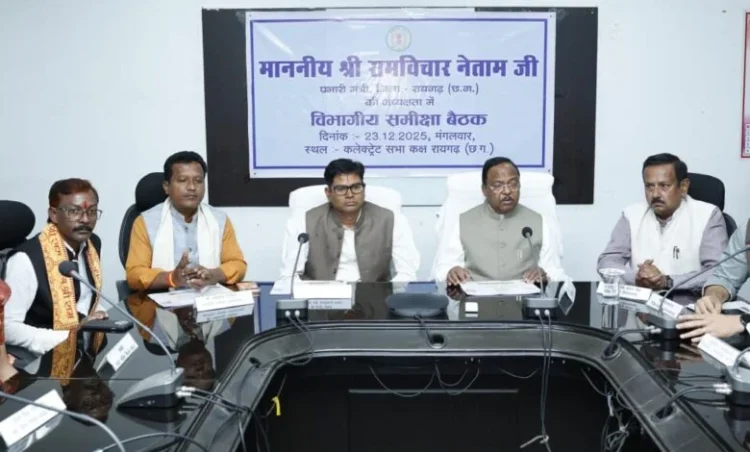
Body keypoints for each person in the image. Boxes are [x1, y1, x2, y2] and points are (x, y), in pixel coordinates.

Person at [3, 179, 108, 356]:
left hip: (86, 348)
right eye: (74, 211)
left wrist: (98, 314)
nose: (85, 219)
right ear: (53, 214)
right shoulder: (26, 259)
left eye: (91, 211)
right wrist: (66, 337)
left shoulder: (92, 245)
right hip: (42, 357)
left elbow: (85, 298)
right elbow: (6, 327)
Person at [597, 153, 727, 290]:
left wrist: (668, 281)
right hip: (642, 300)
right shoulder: (631, 214)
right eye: (649, 186)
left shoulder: (708, 215)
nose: (655, 194)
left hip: (690, 300)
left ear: (683, 186)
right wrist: (637, 278)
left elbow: (718, 270)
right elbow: (608, 261)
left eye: (664, 186)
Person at [279, 158, 419, 282]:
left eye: (356, 187)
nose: (350, 194)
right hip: (319, 298)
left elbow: (407, 273)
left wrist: (387, 295)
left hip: (374, 298)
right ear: (328, 193)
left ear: (364, 189)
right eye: (341, 189)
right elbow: (290, 276)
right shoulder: (303, 222)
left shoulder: (392, 220)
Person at [126, 151, 249, 291]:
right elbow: (135, 274)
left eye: (198, 181)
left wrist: (213, 275)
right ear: (166, 186)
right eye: (183, 180)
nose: (192, 187)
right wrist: (171, 278)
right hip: (161, 301)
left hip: (208, 299)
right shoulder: (146, 222)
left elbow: (237, 264)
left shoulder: (219, 220)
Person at [433, 157, 565, 285]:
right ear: (484, 190)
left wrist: (544, 274)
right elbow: (443, 269)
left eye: (513, 184)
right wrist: (451, 272)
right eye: (498, 185)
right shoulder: (463, 222)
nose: (507, 191)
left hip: (526, 298)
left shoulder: (539, 222)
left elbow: (555, 271)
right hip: (476, 297)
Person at [676, 221, 750, 342]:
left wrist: (742, 321)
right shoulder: (747, 231)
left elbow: (740, 322)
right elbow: (725, 277)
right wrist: (714, 296)